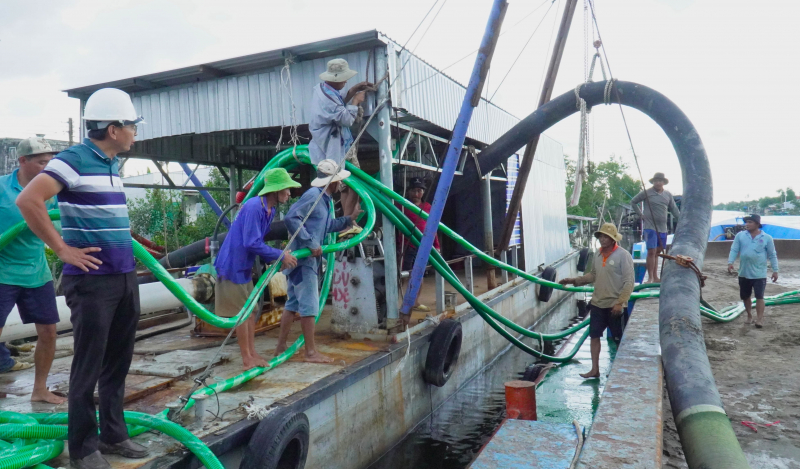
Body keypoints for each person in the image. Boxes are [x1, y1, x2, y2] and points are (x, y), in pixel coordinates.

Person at [17, 88, 148, 469]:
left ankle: (113, 434)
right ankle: (83, 448)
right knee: (88, 365)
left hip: (123, 275)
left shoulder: (109, 163)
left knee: (118, 361)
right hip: (92, 281)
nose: (134, 133)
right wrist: (62, 250)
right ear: (113, 128)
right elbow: (29, 200)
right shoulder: (73, 160)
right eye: (131, 127)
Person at [274, 159, 361, 363]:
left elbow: (327, 225)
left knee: (293, 303)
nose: (340, 185)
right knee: (309, 305)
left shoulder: (326, 199)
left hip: (305, 260)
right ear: (332, 181)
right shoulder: (314, 196)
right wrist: (310, 242)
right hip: (304, 260)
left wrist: (349, 219)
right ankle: (311, 352)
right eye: (338, 181)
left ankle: (280, 346)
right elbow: (291, 218)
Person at [0, 137, 65, 404]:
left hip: (36, 272)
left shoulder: (53, 191)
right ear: (23, 161)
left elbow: (61, 227)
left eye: (51, 162)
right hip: (2, 272)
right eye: (41, 162)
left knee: (49, 332)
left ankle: (40, 389)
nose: (47, 167)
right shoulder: (2, 187)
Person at [215, 168, 300, 369]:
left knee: (251, 311)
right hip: (232, 266)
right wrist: (280, 255)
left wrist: (272, 257)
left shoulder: (268, 210)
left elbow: (256, 241)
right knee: (243, 313)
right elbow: (251, 242)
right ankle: (247, 359)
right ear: (275, 190)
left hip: (243, 266)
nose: (289, 193)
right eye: (286, 189)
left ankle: (252, 353)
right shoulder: (254, 207)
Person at [559, 223, 634, 379]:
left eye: (606, 236)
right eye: (600, 236)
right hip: (598, 303)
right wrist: (574, 280)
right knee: (594, 336)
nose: (602, 239)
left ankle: (621, 372)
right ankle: (595, 369)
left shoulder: (623, 255)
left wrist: (620, 303)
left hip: (615, 305)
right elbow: (593, 275)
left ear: (613, 239)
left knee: (619, 339)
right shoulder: (597, 254)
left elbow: (629, 282)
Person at [308, 58, 370, 234]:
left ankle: (347, 221)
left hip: (340, 143)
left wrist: (352, 91)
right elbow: (345, 118)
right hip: (335, 144)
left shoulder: (324, 90)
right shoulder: (326, 99)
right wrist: (356, 101)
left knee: (347, 183)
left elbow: (338, 100)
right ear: (335, 79)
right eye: (344, 79)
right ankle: (348, 222)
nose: (346, 81)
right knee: (354, 181)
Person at [727, 214, 779, 328]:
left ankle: (759, 319)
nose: (747, 224)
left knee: (760, 296)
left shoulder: (766, 238)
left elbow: (772, 255)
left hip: (759, 273)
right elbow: (734, 249)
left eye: (750, 222)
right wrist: (730, 263)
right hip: (744, 272)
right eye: (746, 222)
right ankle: (749, 315)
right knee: (745, 296)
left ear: (757, 224)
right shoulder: (740, 236)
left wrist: (775, 270)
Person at [398, 177, 440, 316]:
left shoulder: (428, 207)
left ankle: (415, 301)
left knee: (419, 273)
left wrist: (436, 245)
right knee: (404, 274)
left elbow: (433, 227)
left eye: (419, 190)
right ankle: (398, 300)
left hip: (423, 245)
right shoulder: (401, 206)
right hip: (407, 245)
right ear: (409, 192)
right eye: (414, 190)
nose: (417, 193)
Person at [630, 172, 680, 282]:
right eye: (656, 180)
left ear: (663, 182)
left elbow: (674, 209)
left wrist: (680, 220)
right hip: (650, 227)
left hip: (662, 228)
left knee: (657, 252)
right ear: (653, 182)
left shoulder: (668, 195)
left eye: (660, 181)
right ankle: (650, 277)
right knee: (651, 251)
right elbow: (633, 202)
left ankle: (656, 277)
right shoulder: (647, 192)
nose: (658, 182)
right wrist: (640, 214)